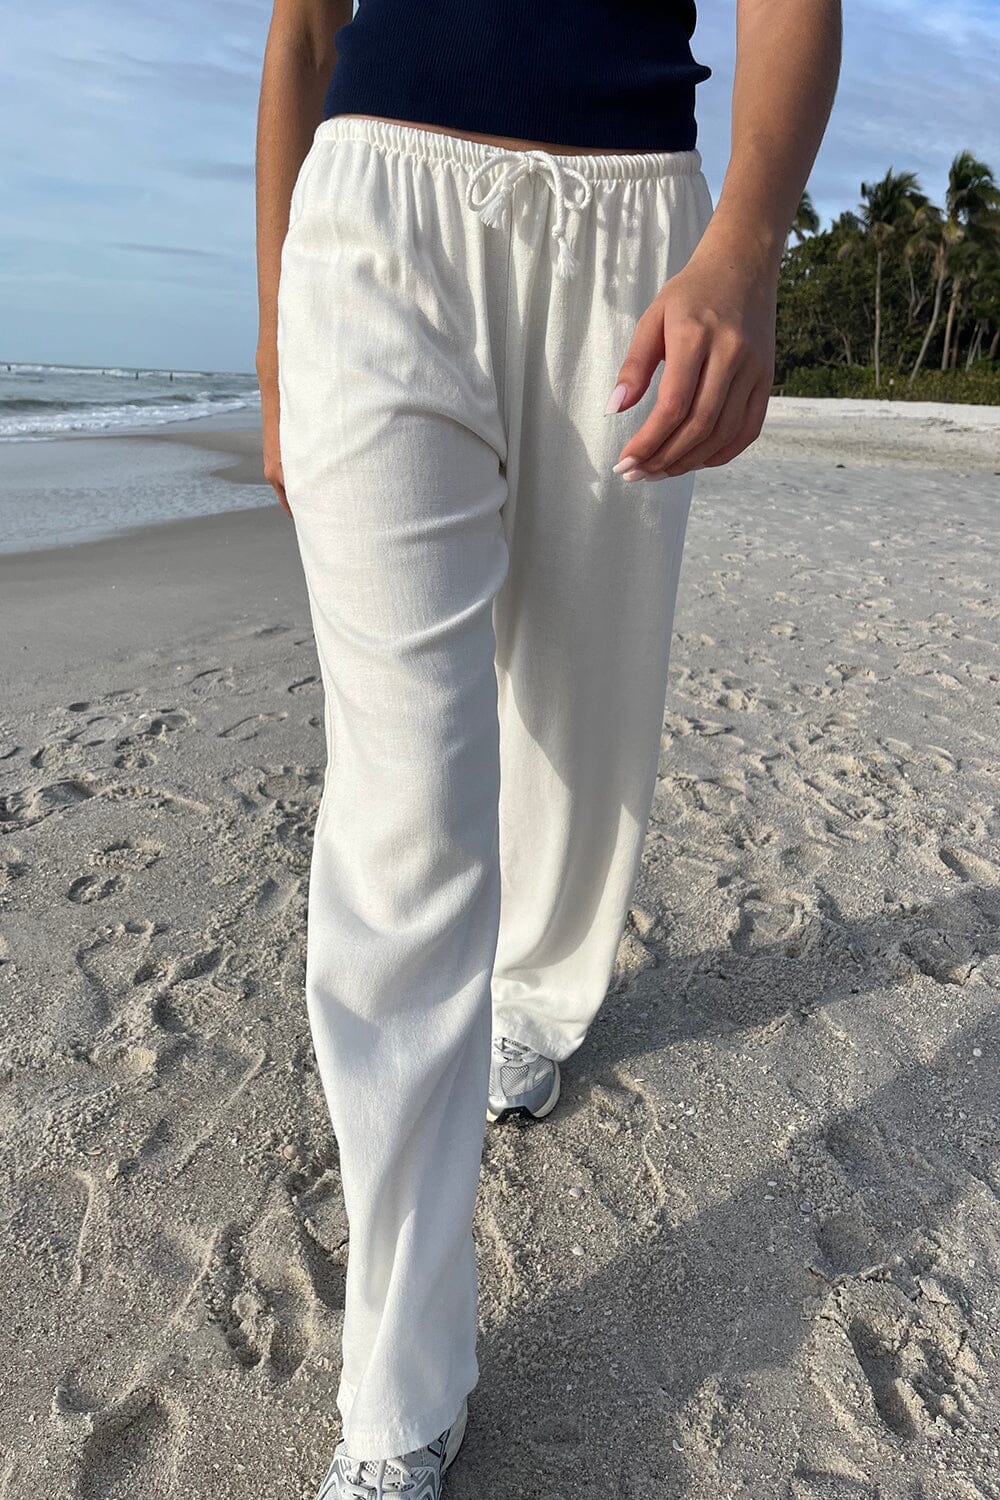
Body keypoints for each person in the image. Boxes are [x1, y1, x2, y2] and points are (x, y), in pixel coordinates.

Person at [254, 2, 842, 1495]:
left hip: (630, 231)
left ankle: (543, 995)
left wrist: (745, 248)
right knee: (406, 813)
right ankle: (400, 1397)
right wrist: (274, 345)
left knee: (588, 710)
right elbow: (305, 28)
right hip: (375, 215)